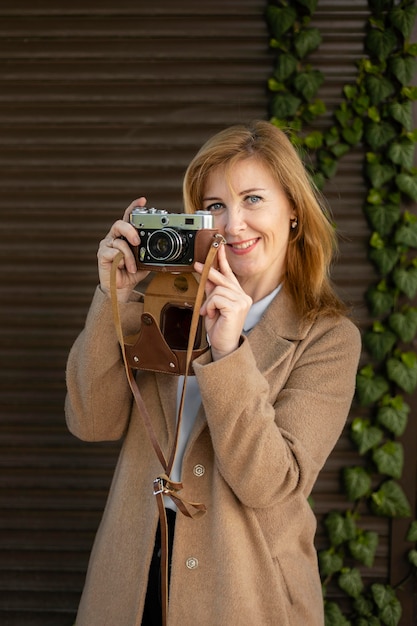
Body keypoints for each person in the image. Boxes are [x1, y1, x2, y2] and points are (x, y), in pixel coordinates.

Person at [65, 120, 361, 626]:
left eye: (253, 199)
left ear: (293, 211)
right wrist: (113, 301)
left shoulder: (327, 338)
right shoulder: (167, 301)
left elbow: (271, 485)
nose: (233, 224)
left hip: (245, 587)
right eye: (216, 206)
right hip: (133, 571)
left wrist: (229, 355)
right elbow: (91, 421)